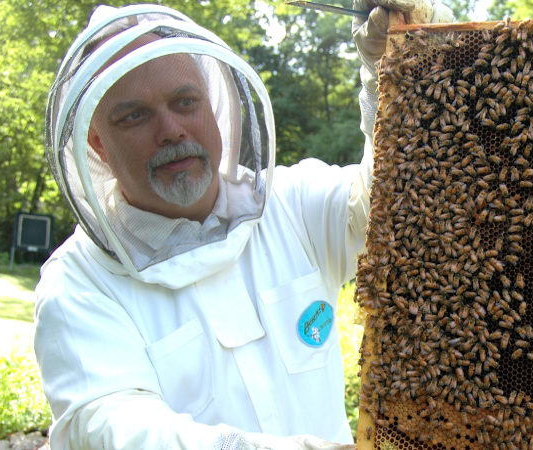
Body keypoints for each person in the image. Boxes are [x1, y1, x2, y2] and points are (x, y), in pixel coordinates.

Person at [35, 2, 451, 449]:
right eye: (134, 115)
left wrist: (405, 65)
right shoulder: (78, 285)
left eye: (185, 102)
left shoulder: (291, 205)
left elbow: (399, 208)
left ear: (214, 105)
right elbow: (115, 431)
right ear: (96, 143)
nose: (172, 130)